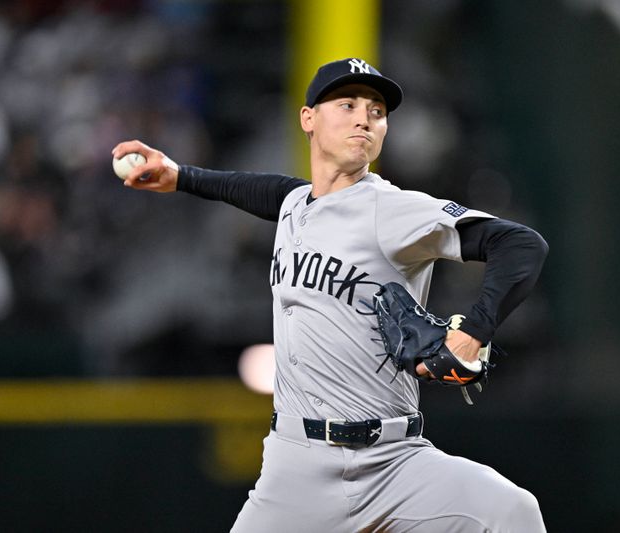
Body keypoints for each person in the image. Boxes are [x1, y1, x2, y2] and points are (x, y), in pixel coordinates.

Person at [113, 58, 549, 532]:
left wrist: (475, 331)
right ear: (308, 119)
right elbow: (261, 190)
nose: (365, 117)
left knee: (515, 513)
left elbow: (521, 244)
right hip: (296, 468)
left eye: (377, 110)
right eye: (347, 104)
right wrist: (180, 176)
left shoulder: (392, 209)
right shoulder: (294, 206)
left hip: (394, 462)